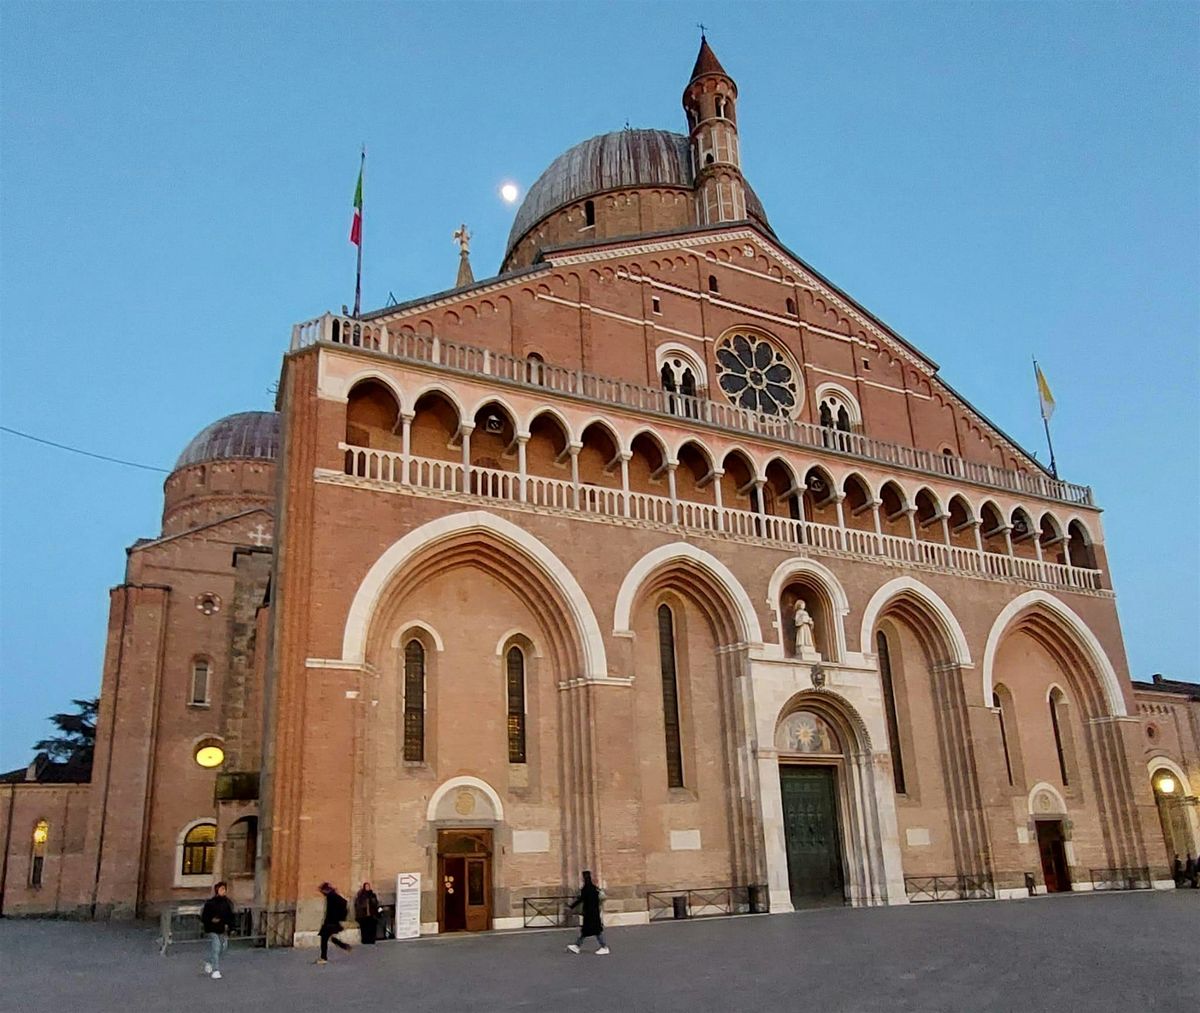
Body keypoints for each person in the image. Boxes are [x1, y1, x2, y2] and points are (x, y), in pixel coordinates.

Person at [566, 870, 609, 955]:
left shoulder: (586, 889)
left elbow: (580, 899)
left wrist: (571, 907)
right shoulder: (594, 888)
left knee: (595, 931)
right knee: (587, 931)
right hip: (594, 912)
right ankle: (577, 946)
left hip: (590, 913)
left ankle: (604, 947)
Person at [200, 881, 235, 980]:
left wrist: (232, 928)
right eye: (221, 889)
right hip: (212, 929)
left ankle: (209, 962)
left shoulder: (227, 903)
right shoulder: (210, 903)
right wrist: (211, 920)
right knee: (216, 947)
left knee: (223, 948)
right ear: (217, 890)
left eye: (224, 889)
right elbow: (204, 917)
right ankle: (216, 970)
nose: (223, 891)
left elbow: (231, 917)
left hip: (222, 929)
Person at [316, 882, 352, 964]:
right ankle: (344, 946)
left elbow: (342, 903)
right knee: (328, 937)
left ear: (325, 890)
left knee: (324, 938)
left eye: (322, 891)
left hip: (331, 922)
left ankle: (323, 958)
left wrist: (338, 916)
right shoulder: (332, 895)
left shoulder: (331, 896)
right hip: (332, 921)